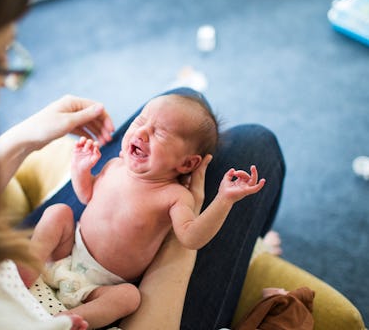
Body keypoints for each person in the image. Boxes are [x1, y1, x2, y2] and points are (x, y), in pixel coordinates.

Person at [0, 0, 285, 329]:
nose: (5, 82)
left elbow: (90, 196)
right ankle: (252, 246)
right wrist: (204, 211)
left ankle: (33, 267)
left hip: (90, 275)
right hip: (55, 283)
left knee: (182, 101)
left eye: (154, 132)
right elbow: (181, 233)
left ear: (188, 164)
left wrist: (47, 147)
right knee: (253, 143)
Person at [19, 94, 266, 328]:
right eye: (140, 121)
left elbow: (191, 237)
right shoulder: (115, 164)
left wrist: (223, 199)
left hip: (99, 288)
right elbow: (86, 196)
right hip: (65, 254)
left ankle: (68, 321)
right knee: (58, 212)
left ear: (188, 163)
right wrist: (80, 169)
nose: (142, 131)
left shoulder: (174, 195)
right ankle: (26, 272)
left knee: (130, 297)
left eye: (160, 133)